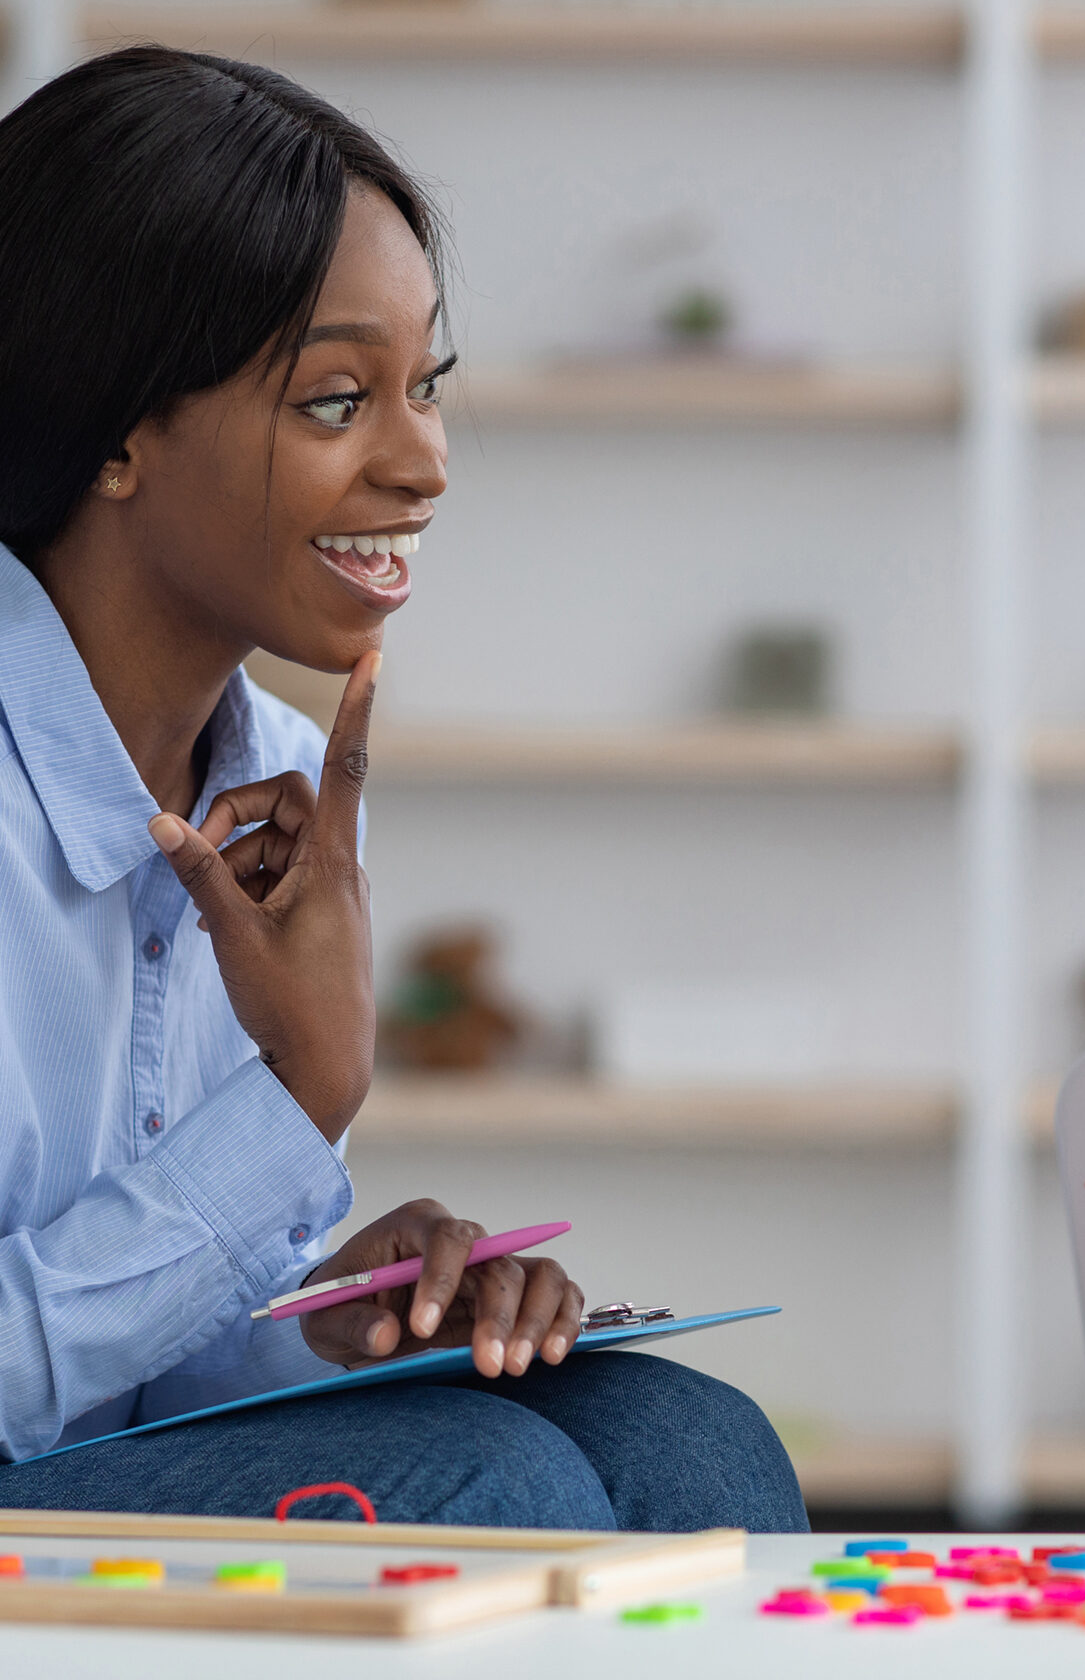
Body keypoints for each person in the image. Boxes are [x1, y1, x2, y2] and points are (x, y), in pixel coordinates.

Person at [0, 46, 806, 1532]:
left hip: (67, 1472)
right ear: (114, 429)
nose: (425, 461)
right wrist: (299, 1102)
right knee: (487, 1482)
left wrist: (339, 1314)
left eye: (425, 386)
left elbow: (140, 1370)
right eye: (335, 401)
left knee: (683, 1441)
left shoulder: (287, 784)